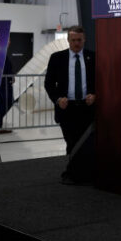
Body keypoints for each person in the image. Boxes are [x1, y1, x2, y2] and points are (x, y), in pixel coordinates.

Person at [44, 26, 96, 184]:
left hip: (87, 107)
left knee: (85, 141)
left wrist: (95, 95)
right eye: (73, 40)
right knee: (72, 142)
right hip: (67, 108)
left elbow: (100, 80)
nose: (76, 43)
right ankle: (73, 174)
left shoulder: (93, 57)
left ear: (84, 39)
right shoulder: (57, 58)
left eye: (79, 40)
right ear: (68, 40)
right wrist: (58, 99)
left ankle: (78, 174)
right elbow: (49, 84)